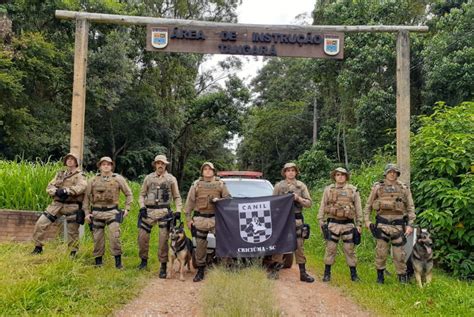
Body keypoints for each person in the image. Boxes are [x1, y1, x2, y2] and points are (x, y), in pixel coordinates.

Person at [364, 163, 415, 283]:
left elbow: (410, 207)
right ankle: (380, 276)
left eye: (394, 172)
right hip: (382, 225)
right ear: (386, 173)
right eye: (390, 172)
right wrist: (367, 221)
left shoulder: (403, 188)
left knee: (399, 254)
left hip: (398, 225)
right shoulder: (378, 188)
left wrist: (410, 224)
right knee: (381, 251)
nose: (392, 174)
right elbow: (368, 205)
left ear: (397, 174)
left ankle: (402, 277)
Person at [32, 153, 87, 256]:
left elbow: (82, 187)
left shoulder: (80, 175)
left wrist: (67, 191)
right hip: (57, 205)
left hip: (72, 205)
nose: (69, 160)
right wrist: (56, 192)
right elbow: (49, 186)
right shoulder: (60, 174)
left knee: (72, 231)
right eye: (68, 159)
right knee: (41, 223)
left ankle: (73, 253)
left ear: (76, 162)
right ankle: (38, 247)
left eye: (72, 159)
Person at [83, 156, 133, 269]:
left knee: (115, 238)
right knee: (97, 239)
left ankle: (118, 264)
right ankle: (98, 263)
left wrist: (127, 208)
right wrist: (86, 213)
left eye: (108, 164)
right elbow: (86, 198)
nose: (106, 166)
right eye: (103, 164)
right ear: (100, 166)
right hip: (96, 213)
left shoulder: (118, 179)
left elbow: (129, 194)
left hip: (112, 212)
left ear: (111, 166)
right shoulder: (93, 180)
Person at [137, 155, 183, 276]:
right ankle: (143, 261)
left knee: (163, 240)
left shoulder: (171, 179)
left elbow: (177, 196)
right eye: (158, 163)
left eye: (162, 163)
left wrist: (178, 210)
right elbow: (141, 194)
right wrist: (142, 206)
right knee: (142, 237)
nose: (160, 165)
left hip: (164, 212)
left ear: (166, 165)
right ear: (155, 164)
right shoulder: (148, 178)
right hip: (149, 212)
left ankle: (163, 265)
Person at [185, 162, 230, 282]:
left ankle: (224, 266)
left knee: (224, 242)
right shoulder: (196, 184)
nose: (208, 171)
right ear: (202, 171)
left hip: (216, 219)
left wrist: (219, 200)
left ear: (214, 171)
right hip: (201, 218)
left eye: (210, 169)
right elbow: (189, 202)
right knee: (200, 244)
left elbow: (228, 199)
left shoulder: (220, 184)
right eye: (205, 169)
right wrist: (188, 219)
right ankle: (200, 269)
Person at [269, 162, 314, 282]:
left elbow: (309, 203)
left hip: (296, 218)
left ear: (296, 172)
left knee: (299, 246)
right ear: (284, 172)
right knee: (279, 245)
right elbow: (272, 203)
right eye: (288, 170)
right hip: (282, 219)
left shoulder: (301, 186)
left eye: (293, 170)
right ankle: (275, 270)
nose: (290, 172)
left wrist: (298, 198)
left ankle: (303, 273)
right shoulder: (279, 186)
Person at [317, 167, 362, 282]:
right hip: (333, 224)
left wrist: (359, 224)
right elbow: (323, 205)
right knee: (330, 249)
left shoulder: (353, 190)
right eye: (337, 175)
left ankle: (354, 275)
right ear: (334, 177)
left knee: (350, 250)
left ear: (346, 177)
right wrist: (320, 221)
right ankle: (327, 273)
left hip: (348, 225)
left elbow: (358, 208)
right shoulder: (328, 190)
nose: (340, 177)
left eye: (342, 174)